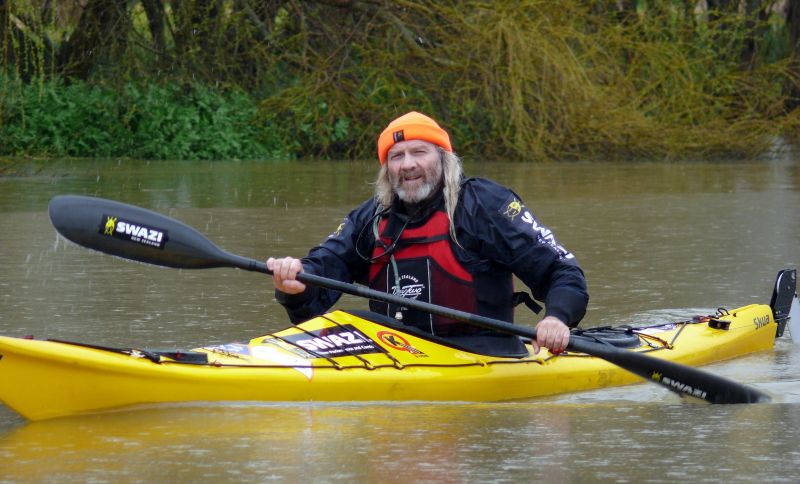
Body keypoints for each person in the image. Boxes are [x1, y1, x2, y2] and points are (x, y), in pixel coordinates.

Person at [268, 111, 588, 357]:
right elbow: (320, 278)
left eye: (419, 152)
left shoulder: (484, 205)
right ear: (386, 168)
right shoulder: (371, 218)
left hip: (483, 353)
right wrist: (295, 282)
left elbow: (562, 270)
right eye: (396, 156)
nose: (407, 165)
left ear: (442, 158)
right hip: (395, 352)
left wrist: (557, 319)